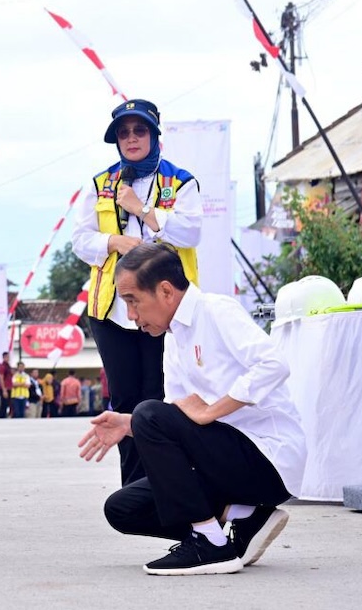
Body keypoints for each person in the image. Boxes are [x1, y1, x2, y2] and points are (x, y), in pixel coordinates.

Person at [79, 243, 304, 576]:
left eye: (132, 301)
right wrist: (130, 425)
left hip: (268, 459)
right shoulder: (173, 337)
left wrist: (212, 410)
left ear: (166, 291)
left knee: (148, 413)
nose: (130, 316)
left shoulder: (216, 311)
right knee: (123, 508)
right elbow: (175, 413)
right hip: (225, 462)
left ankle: (210, 542)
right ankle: (243, 515)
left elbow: (273, 365)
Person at [71, 99, 202, 486]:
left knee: (159, 398)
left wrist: (144, 211)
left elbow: (191, 232)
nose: (131, 139)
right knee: (125, 401)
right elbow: (80, 240)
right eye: (124, 133)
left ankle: (167, 480)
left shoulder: (182, 181)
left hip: (164, 311)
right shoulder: (98, 184)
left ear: (155, 134)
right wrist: (114, 241)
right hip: (111, 310)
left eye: (139, 130)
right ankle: (135, 487)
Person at [0, 351, 13, 419]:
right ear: (4, 357)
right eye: (7, 357)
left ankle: (5, 416)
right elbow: (1, 377)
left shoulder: (8, 366)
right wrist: (4, 390)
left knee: (7, 404)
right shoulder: (2, 367)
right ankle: (1, 417)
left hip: (9, 388)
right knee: (3, 404)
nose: (8, 358)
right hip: (5, 388)